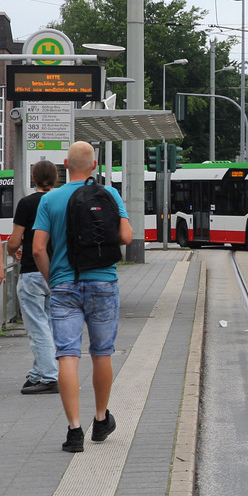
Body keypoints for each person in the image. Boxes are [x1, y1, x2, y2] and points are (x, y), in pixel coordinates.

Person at [32, 141, 133, 454]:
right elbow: (126, 237)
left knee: (67, 355)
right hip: (103, 283)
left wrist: (54, 279)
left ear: (65, 164)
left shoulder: (50, 199)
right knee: (102, 353)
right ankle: (101, 420)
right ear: (94, 165)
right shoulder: (110, 194)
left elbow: (37, 248)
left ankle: (74, 431)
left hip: (64, 286)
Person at [4, 160, 59, 395]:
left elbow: (14, 241)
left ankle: (49, 376)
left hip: (32, 272)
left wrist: (12, 250)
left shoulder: (27, 204)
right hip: (57, 272)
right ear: (56, 179)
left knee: (37, 328)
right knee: (47, 324)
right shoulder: (61, 201)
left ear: (33, 178)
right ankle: (38, 373)